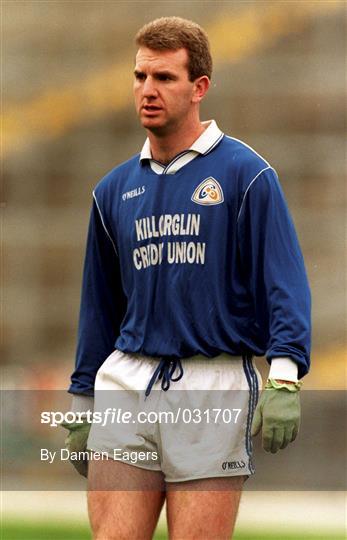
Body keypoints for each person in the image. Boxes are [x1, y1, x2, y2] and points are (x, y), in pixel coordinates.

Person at [63, 16, 311, 539]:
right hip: (128, 382)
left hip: (211, 387)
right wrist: (83, 398)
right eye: (140, 77)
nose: (148, 91)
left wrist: (285, 373)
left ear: (199, 87)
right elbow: (99, 307)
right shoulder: (111, 191)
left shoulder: (247, 174)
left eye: (165, 78)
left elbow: (283, 281)